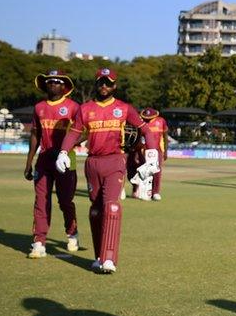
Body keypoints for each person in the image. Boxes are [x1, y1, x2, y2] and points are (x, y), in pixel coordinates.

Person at [56, 68, 159, 274]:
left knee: (112, 207)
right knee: (96, 210)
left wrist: (152, 152)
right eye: (101, 82)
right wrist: (63, 152)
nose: (104, 86)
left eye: (108, 82)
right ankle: (99, 256)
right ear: (96, 84)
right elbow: (74, 133)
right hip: (93, 163)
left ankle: (109, 259)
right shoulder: (85, 109)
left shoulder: (124, 108)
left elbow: (145, 129)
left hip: (115, 161)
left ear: (115, 85)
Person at [24, 69, 80, 258]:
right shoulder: (39, 107)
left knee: (65, 201)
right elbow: (35, 135)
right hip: (44, 161)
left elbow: (83, 132)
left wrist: (67, 147)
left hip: (66, 160)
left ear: (64, 86)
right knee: (41, 201)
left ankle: (72, 232)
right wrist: (29, 161)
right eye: (49, 81)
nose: (53, 84)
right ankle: (39, 241)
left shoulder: (73, 107)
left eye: (57, 81)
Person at [140, 108, 168, 200]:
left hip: (157, 150)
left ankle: (155, 192)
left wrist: (166, 151)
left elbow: (165, 136)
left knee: (157, 171)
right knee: (145, 172)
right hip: (145, 150)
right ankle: (145, 192)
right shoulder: (141, 122)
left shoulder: (161, 121)